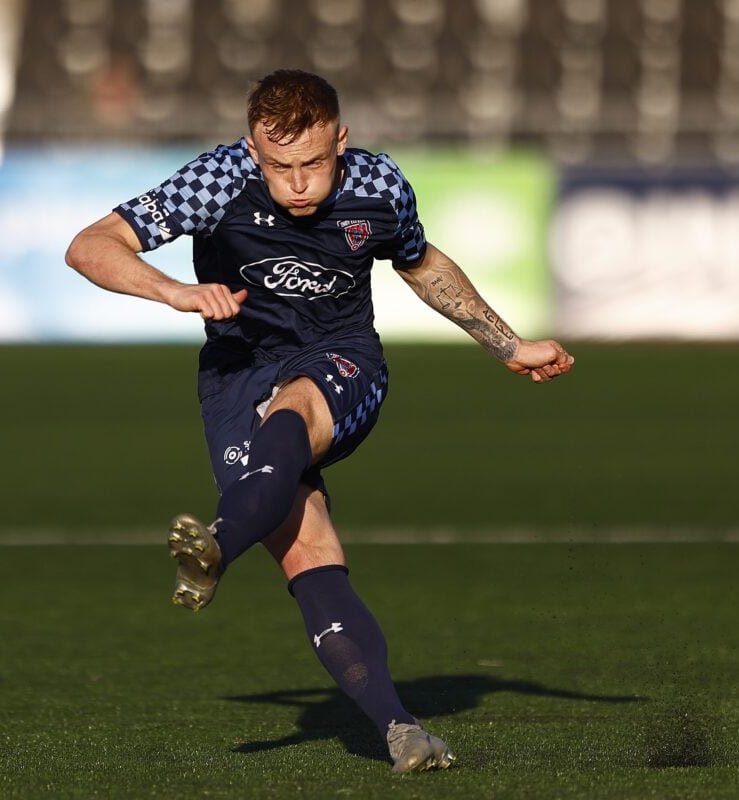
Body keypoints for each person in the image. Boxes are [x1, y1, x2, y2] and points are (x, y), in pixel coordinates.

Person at [64, 68, 573, 775]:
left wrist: (508, 343)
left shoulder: (378, 185)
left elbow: (420, 264)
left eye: (314, 163)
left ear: (342, 139)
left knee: (295, 406)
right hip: (237, 373)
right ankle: (403, 731)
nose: (299, 183)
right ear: (252, 150)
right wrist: (174, 290)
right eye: (280, 167)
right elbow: (90, 245)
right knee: (308, 553)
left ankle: (218, 544)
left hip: (341, 359)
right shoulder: (216, 180)